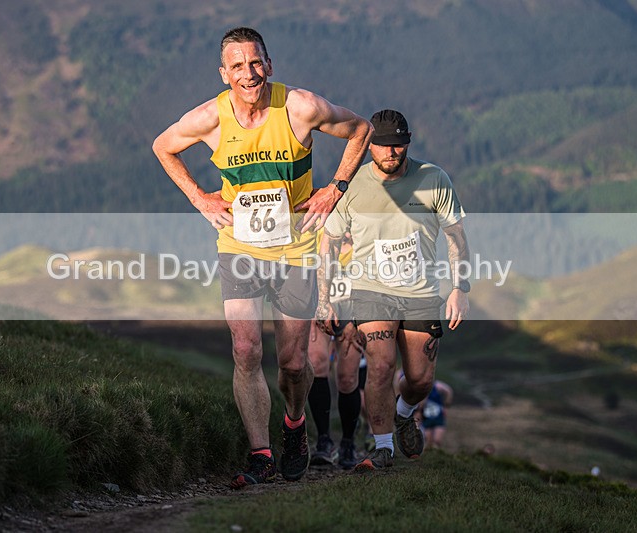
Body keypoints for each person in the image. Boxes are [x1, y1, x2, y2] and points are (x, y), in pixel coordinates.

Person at [152, 27, 372, 488]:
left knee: (293, 363)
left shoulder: (300, 107)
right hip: (239, 248)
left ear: (268, 65)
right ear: (224, 73)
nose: (248, 74)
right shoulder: (211, 117)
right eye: (237, 66)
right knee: (246, 350)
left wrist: (336, 188)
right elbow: (163, 146)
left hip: (296, 249)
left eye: (256, 63)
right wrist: (199, 198)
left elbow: (361, 130)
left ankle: (294, 427)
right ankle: (261, 454)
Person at [316, 109, 470, 471]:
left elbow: (456, 235)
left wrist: (459, 287)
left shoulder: (434, 179)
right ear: (370, 146)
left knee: (419, 379)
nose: (392, 153)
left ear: (408, 144)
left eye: (399, 146)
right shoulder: (353, 187)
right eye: (384, 146)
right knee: (381, 366)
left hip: (420, 293)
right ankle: (382, 447)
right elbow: (330, 242)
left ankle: (403, 412)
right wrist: (324, 300)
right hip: (371, 290)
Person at [307, 233, 365, 469]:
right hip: (318, 303)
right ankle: (323, 439)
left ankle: (348, 442)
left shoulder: (364, 233)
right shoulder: (320, 231)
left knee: (347, 377)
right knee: (318, 363)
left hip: (353, 307)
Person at [417, 379, 453, 449]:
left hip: (438, 417)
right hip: (427, 418)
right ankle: (430, 457)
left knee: (437, 440)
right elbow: (419, 407)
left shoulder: (437, 385)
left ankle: (436, 454)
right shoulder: (420, 388)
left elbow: (449, 391)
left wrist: (446, 405)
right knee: (427, 441)